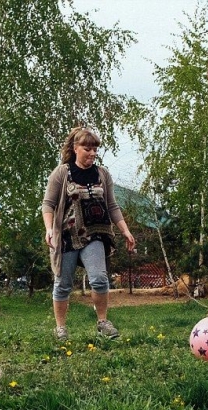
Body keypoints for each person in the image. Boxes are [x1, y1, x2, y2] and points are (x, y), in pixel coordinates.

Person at [42, 127, 136, 341]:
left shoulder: (102, 174)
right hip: (66, 237)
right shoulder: (62, 173)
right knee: (63, 284)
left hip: (95, 235)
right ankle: (60, 329)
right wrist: (49, 229)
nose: (93, 153)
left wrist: (125, 231)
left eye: (95, 149)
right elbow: (48, 205)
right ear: (76, 148)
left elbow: (112, 206)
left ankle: (102, 323)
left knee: (100, 279)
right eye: (87, 149)